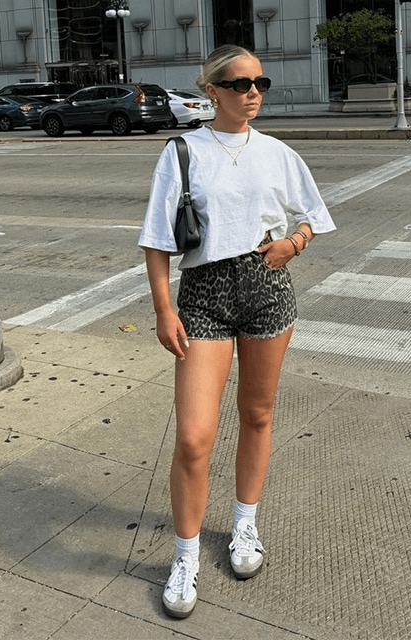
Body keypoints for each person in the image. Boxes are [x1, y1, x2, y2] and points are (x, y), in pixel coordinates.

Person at [138, 44, 336, 619]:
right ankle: (185, 554)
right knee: (194, 437)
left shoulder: (277, 153)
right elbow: (156, 239)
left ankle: (244, 525)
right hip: (203, 296)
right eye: (240, 82)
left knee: (258, 414)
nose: (253, 92)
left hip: (266, 288)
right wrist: (162, 309)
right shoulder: (183, 151)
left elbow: (312, 219)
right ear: (212, 91)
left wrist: (292, 245)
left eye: (260, 83)